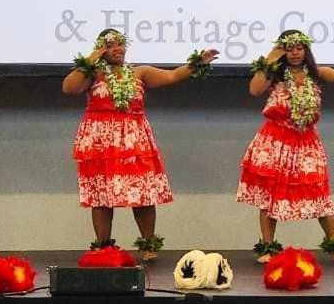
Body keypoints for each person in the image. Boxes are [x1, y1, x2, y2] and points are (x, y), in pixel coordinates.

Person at [63, 29, 218, 260]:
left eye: (120, 44)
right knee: (102, 196)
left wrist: (199, 62)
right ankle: (102, 247)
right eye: (111, 45)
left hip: (134, 138)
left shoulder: (140, 72)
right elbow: (69, 87)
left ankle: (148, 245)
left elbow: (173, 76)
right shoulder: (92, 73)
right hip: (100, 141)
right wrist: (92, 58)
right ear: (101, 48)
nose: (118, 49)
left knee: (142, 192)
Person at [237, 29, 334, 263]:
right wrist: (269, 59)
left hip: (306, 142)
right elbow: (254, 90)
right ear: (281, 50)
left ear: (306, 49)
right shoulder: (273, 74)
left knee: (319, 192)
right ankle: (267, 248)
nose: (295, 53)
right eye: (289, 48)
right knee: (270, 195)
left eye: (299, 48)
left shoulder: (317, 74)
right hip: (275, 141)